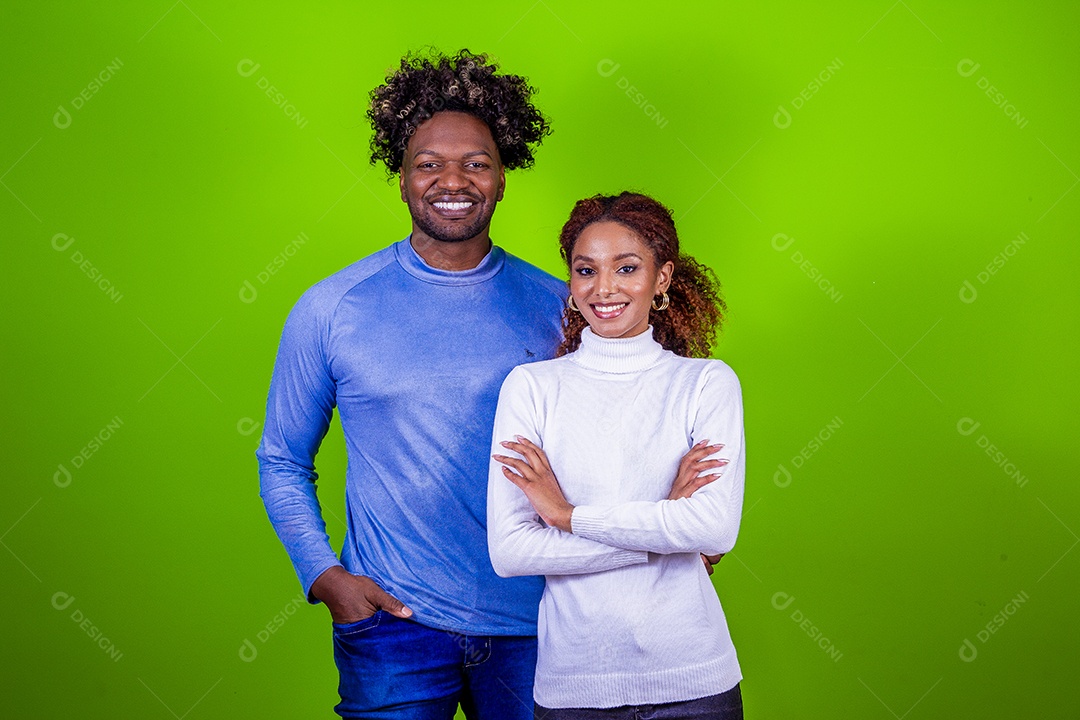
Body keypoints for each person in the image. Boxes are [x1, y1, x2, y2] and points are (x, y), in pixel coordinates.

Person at [256, 49, 564, 719]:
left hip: (539, 624)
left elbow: (608, 442)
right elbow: (281, 459)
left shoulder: (559, 306)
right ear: (400, 178)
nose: (452, 179)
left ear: (504, 177)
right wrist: (326, 578)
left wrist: (674, 519)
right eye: (429, 163)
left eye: (476, 162)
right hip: (392, 624)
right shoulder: (331, 307)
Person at [488, 191, 746, 719]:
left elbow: (715, 530)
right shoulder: (531, 387)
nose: (603, 288)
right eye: (586, 270)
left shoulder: (704, 383)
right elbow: (512, 551)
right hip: (574, 688)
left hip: (694, 682)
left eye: (626, 268)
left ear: (663, 279)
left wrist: (566, 517)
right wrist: (666, 533)